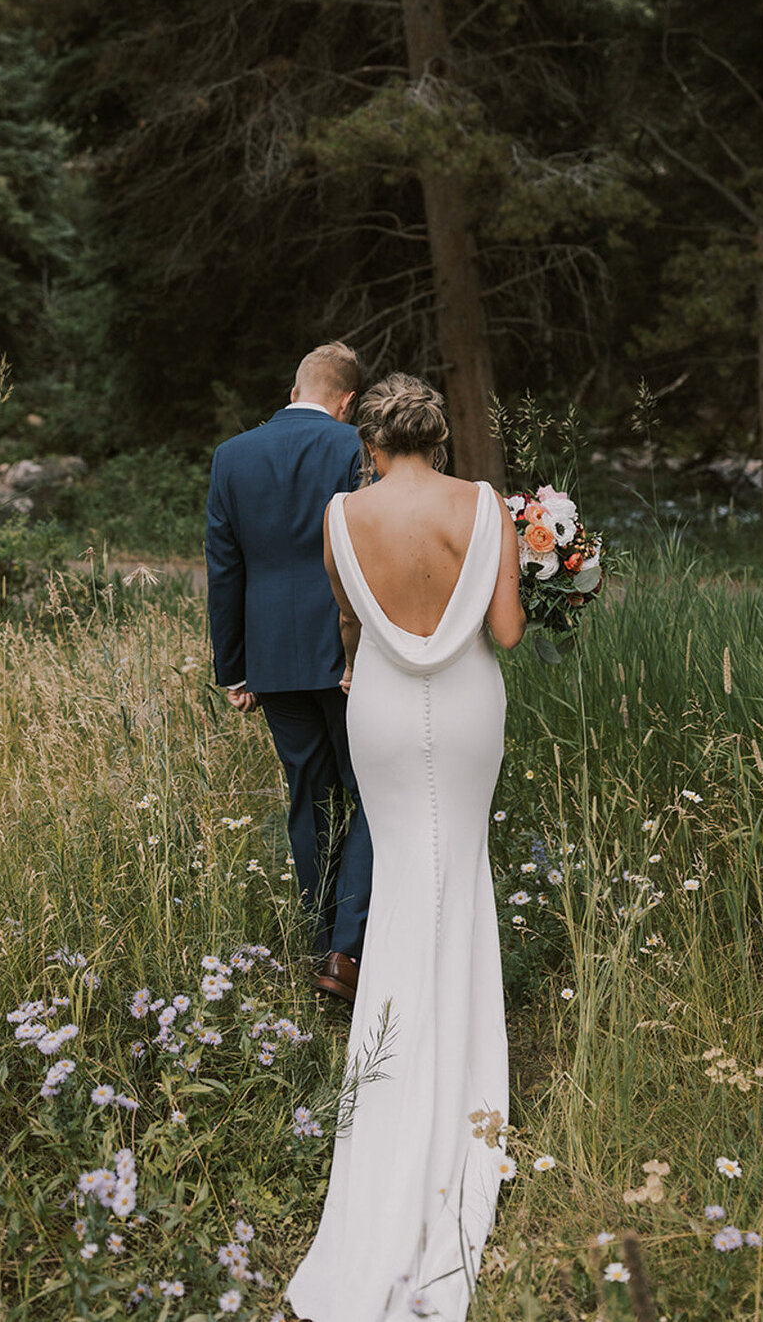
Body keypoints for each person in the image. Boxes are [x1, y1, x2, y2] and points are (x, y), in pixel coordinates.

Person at [286, 373, 525, 1322]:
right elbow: (502, 628)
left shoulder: (345, 515)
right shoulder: (484, 504)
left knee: (400, 891)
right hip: (466, 711)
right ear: (440, 434)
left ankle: (393, 1084)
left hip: (381, 713)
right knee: (457, 880)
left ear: (373, 442)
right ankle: (463, 1086)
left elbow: (355, 629)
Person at [205, 343, 373, 1000]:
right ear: (346, 399)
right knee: (371, 796)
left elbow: (226, 568)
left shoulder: (232, 456)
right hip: (348, 655)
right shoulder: (355, 447)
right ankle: (347, 950)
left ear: (293, 385)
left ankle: (318, 938)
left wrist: (234, 667)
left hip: (272, 657)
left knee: (310, 797)